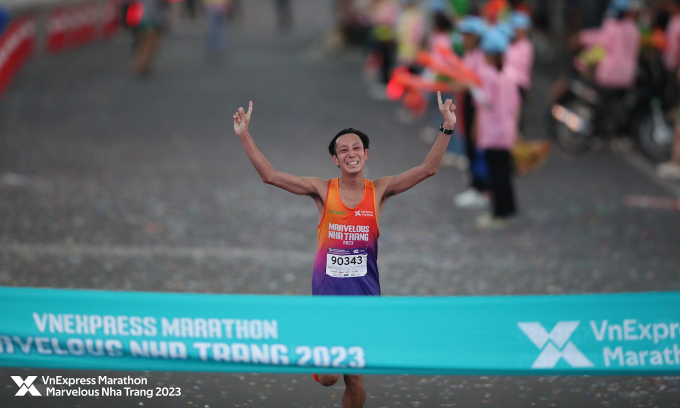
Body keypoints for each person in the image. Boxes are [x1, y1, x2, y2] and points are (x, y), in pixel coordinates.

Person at [232, 93, 457, 408]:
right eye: (343, 150)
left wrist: (446, 128)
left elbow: (427, 169)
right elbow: (270, 176)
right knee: (329, 378)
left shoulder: (379, 191)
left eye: (355, 148)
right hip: (326, 303)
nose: (350, 154)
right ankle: (319, 363)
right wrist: (244, 137)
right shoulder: (324, 191)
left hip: (364, 303)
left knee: (355, 377)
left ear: (366, 154)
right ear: (335, 160)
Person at [471, 27, 521, 229]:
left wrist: (471, 85)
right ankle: (508, 208)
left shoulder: (489, 75)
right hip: (506, 130)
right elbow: (516, 103)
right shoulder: (510, 74)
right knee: (504, 172)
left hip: (492, 132)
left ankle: (498, 213)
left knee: (496, 174)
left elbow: (485, 100)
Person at [453, 15, 490, 208]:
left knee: (477, 146)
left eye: (466, 35)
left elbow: (477, 83)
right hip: (467, 104)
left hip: (476, 106)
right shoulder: (469, 54)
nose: (462, 38)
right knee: (469, 145)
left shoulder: (481, 56)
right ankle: (476, 186)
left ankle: (482, 188)